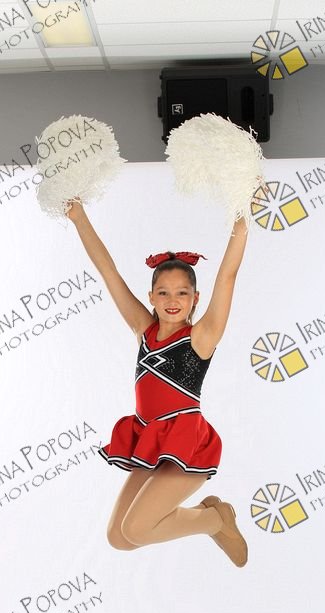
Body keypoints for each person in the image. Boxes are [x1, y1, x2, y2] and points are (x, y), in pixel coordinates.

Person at [66, 199, 249, 567]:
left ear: (195, 299)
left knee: (136, 529)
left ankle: (216, 520)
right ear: (151, 297)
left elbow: (227, 276)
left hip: (186, 443)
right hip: (151, 440)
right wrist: (78, 216)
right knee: (119, 538)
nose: (172, 300)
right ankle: (208, 517)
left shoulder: (201, 337)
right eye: (163, 292)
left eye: (182, 293)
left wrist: (242, 218)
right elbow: (108, 272)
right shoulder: (144, 330)